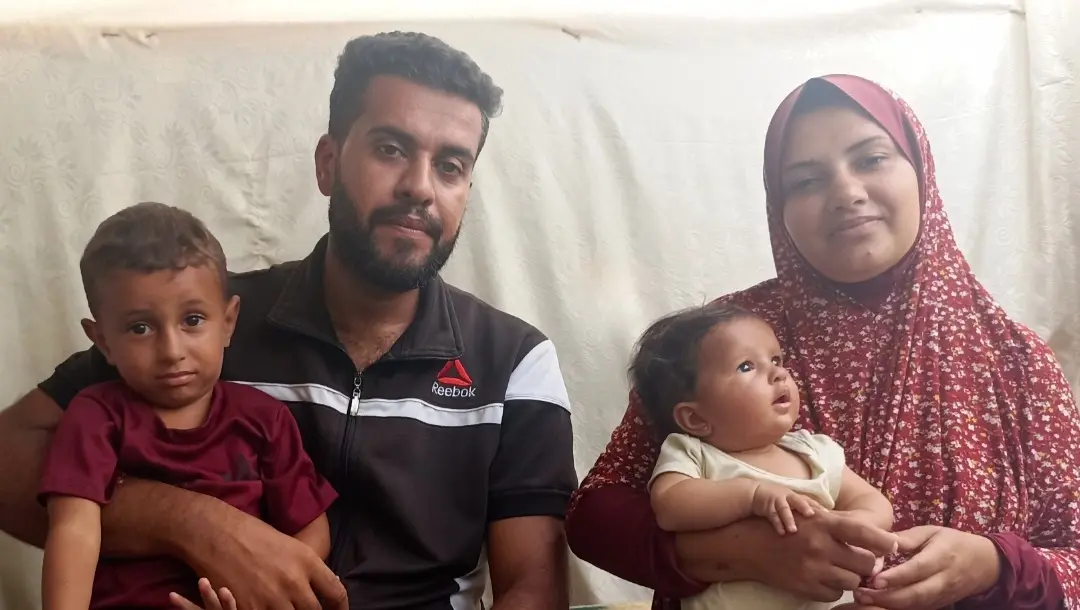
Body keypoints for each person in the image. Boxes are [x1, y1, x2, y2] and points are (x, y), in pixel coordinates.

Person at [0, 31, 577, 610]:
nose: (419, 188)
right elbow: (8, 461)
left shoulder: (514, 361)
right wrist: (190, 522)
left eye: (451, 165)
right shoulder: (204, 326)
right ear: (328, 163)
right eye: (391, 149)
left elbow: (533, 586)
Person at [565, 74, 1080, 610]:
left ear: (921, 170)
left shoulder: (1015, 361)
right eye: (806, 181)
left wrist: (995, 566)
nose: (846, 193)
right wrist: (745, 553)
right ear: (778, 206)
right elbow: (595, 515)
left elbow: (1074, 554)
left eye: (872, 159)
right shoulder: (729, 338)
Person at [37, 202, 339, 610]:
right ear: (103, 340)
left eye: (193, 320)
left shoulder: (264, 419)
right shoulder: (95, 416)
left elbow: (311, 529)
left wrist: (270, 588)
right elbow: (74, 530)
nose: (171, 351)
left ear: (228, 321)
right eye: (140, 328)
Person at [635, 303, 896, 610]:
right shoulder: (693, 453)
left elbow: (874, 502)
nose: (779, 373)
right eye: (746, 366)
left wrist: (849, 525)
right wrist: (752, 495)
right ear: (694, 418)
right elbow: (670, 506)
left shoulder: (814, 451)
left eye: (776, 359)